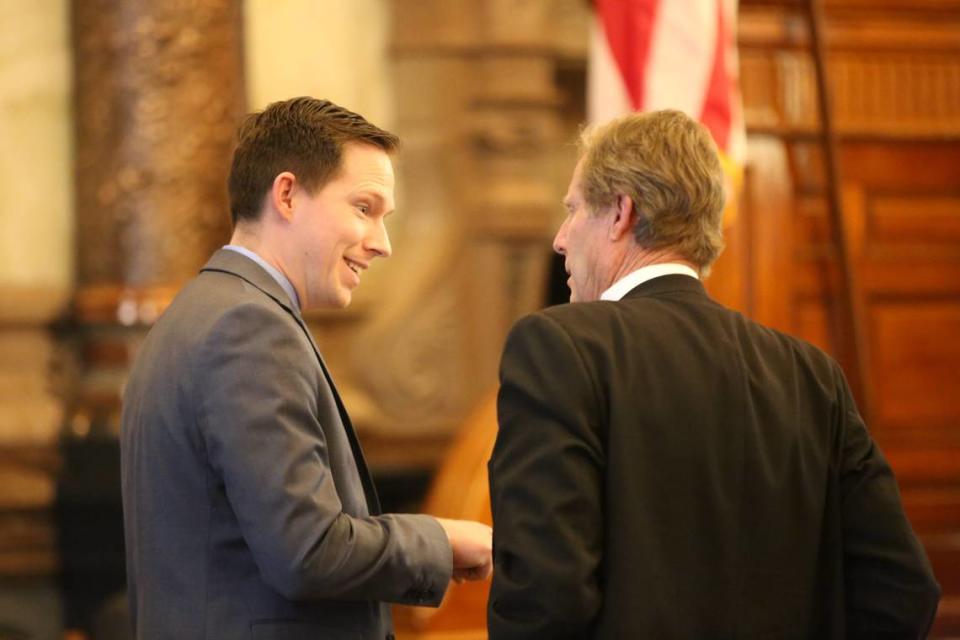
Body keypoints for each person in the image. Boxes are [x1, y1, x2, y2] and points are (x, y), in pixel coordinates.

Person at [487, 109, 940, 639]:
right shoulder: (811, 375)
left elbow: (546, 596)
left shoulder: (559, 347)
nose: (561, 239)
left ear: (620, 213)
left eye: (574, 210)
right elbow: (903, 589)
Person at [121, 97, 492, 640]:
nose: (382, 244)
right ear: (288, 195)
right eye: (364, 208)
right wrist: (440, 539)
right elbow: (308, 551)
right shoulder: (249, 328)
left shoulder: (205, 311)